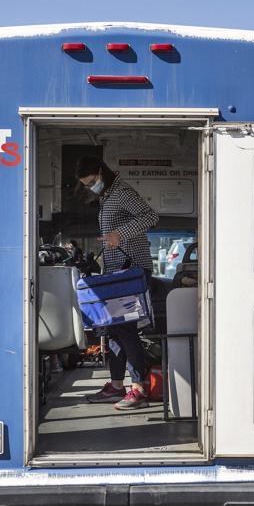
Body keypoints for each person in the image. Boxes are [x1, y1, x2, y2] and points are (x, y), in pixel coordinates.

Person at [77, 155, 159, 410]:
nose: (91, 187)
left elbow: (150, 216)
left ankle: (139, 389)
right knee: (112, 329)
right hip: (116, 273)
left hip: (131, 272)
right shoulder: (107, 196)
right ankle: (116, 385)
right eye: (86, 184)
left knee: (126, 329)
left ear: (101, 172)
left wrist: (119, 234)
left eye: (92, 181)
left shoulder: (122, 192)